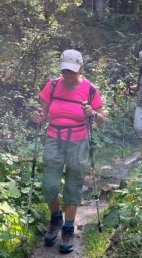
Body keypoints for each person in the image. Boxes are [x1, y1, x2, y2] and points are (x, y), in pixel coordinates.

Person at [31, 49, 105, 254]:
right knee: (49, 186)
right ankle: (55, 219)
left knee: (73, 185)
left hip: (79, 141)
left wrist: (92, 113)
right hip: (54, 139)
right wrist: (37, 116)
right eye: (65, 71)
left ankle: (68, 228)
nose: (68, 75)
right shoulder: (53, 85)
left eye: (72, 71)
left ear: (80, 68)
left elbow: (101, 118)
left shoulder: (90, 89)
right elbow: (43, 113)